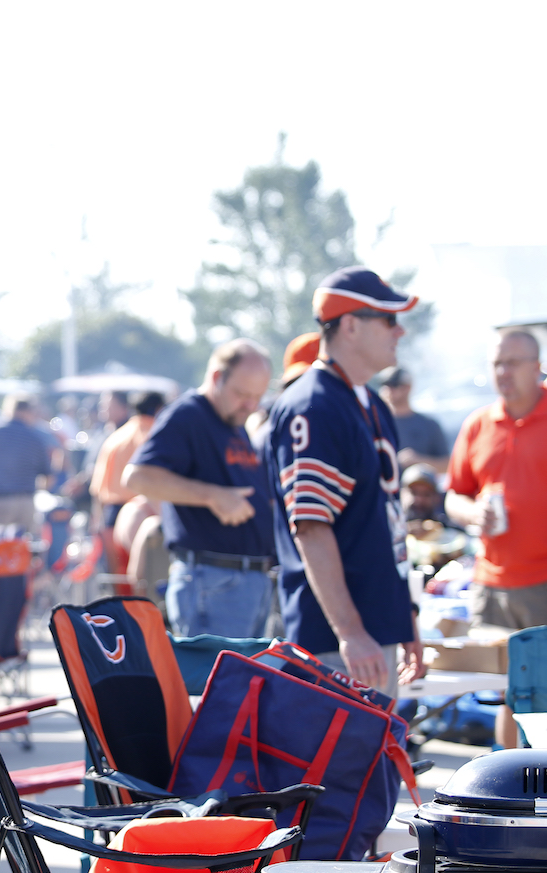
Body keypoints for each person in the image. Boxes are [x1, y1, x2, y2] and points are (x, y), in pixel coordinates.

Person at [265, 266, 424, 695]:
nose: (399, 332)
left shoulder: (371, 401)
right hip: (337, 638)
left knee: (375, 760)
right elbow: (312, 528)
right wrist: (350, 631)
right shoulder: (313, 404)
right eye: (388, 320)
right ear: (350, 325)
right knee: (341, 762)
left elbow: (386, 522)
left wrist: (402, 615)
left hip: (373, 628)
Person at [123, 340, 276, 638]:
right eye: (243, 394)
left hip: (244, 581)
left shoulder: (232, 419)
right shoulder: (189, 415)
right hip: (214, 581)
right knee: (217, 684)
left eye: (257, 397)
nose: (251, 406)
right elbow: (137, 477)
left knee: (240, 684)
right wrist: (212, 496)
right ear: (217, 377)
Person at [445, 328, 547, 746]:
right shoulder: (478, 425)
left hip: (543, 581)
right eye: (497, 363)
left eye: (513, 362)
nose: (503, 372)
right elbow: (454, 496)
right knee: (510, 696)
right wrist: (474, 512)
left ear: (538, 367)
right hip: (493, 584)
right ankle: (511, 791)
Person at [0, 396, 58, 532]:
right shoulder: (35, 437)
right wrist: (37, 492)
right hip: (25, 503)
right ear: (27, 412)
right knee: (22, 548)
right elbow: (49, 477)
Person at [92, 391, 166, 533]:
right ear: (159, 409)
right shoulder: (158, 437)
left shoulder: (115, 438)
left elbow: (98, 488)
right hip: (146, 513)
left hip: (112, 515)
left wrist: (97, 522)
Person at [380, 367, 451, 474]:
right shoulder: (376, 424)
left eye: (394, 385)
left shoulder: (429, 425)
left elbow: (448, 466)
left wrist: (419, 461)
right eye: (385, 385)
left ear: (408, 387)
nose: (389, 390)